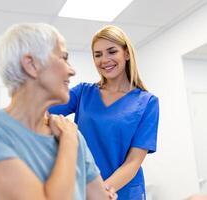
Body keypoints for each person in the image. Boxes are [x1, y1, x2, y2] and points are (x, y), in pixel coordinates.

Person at [0, 23, 117, 200]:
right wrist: (68, 142)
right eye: (64, 58)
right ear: (31, 65)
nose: (72, 71)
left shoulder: (73, 134)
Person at [49, 25, 159, 199]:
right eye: (97, 54)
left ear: (127, 54)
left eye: (112, 51)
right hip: (86, 187)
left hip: (123, 191)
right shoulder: (83, 93)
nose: (104, 59)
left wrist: (100, 192)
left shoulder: (147, 102)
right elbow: (40, 110)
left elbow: (133, 161)